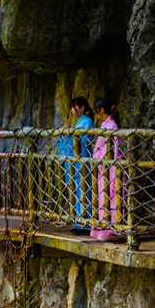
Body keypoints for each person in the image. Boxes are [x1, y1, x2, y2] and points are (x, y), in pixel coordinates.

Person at [56, 97, 94, 236]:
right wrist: (65, 134)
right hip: (77, 162)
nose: (72, 111)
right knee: (78, 191)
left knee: (85, 191)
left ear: (82, 108)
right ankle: (79, 223)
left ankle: (86, 223)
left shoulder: (88, 122)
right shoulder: (80, 122)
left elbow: (83, 141)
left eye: (74, 107)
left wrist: (67, 134)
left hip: (83, 160)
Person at [91, 98, 124, 241]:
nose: (96, 114)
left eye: (97, 111)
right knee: (102, 196)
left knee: (111, 195)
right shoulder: (105, 124)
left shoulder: (112, 126)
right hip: (102, 166)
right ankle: (101, 226)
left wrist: (105, 161)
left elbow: (113, 147)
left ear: (102, 110)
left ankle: (111, 228)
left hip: (110, 165)